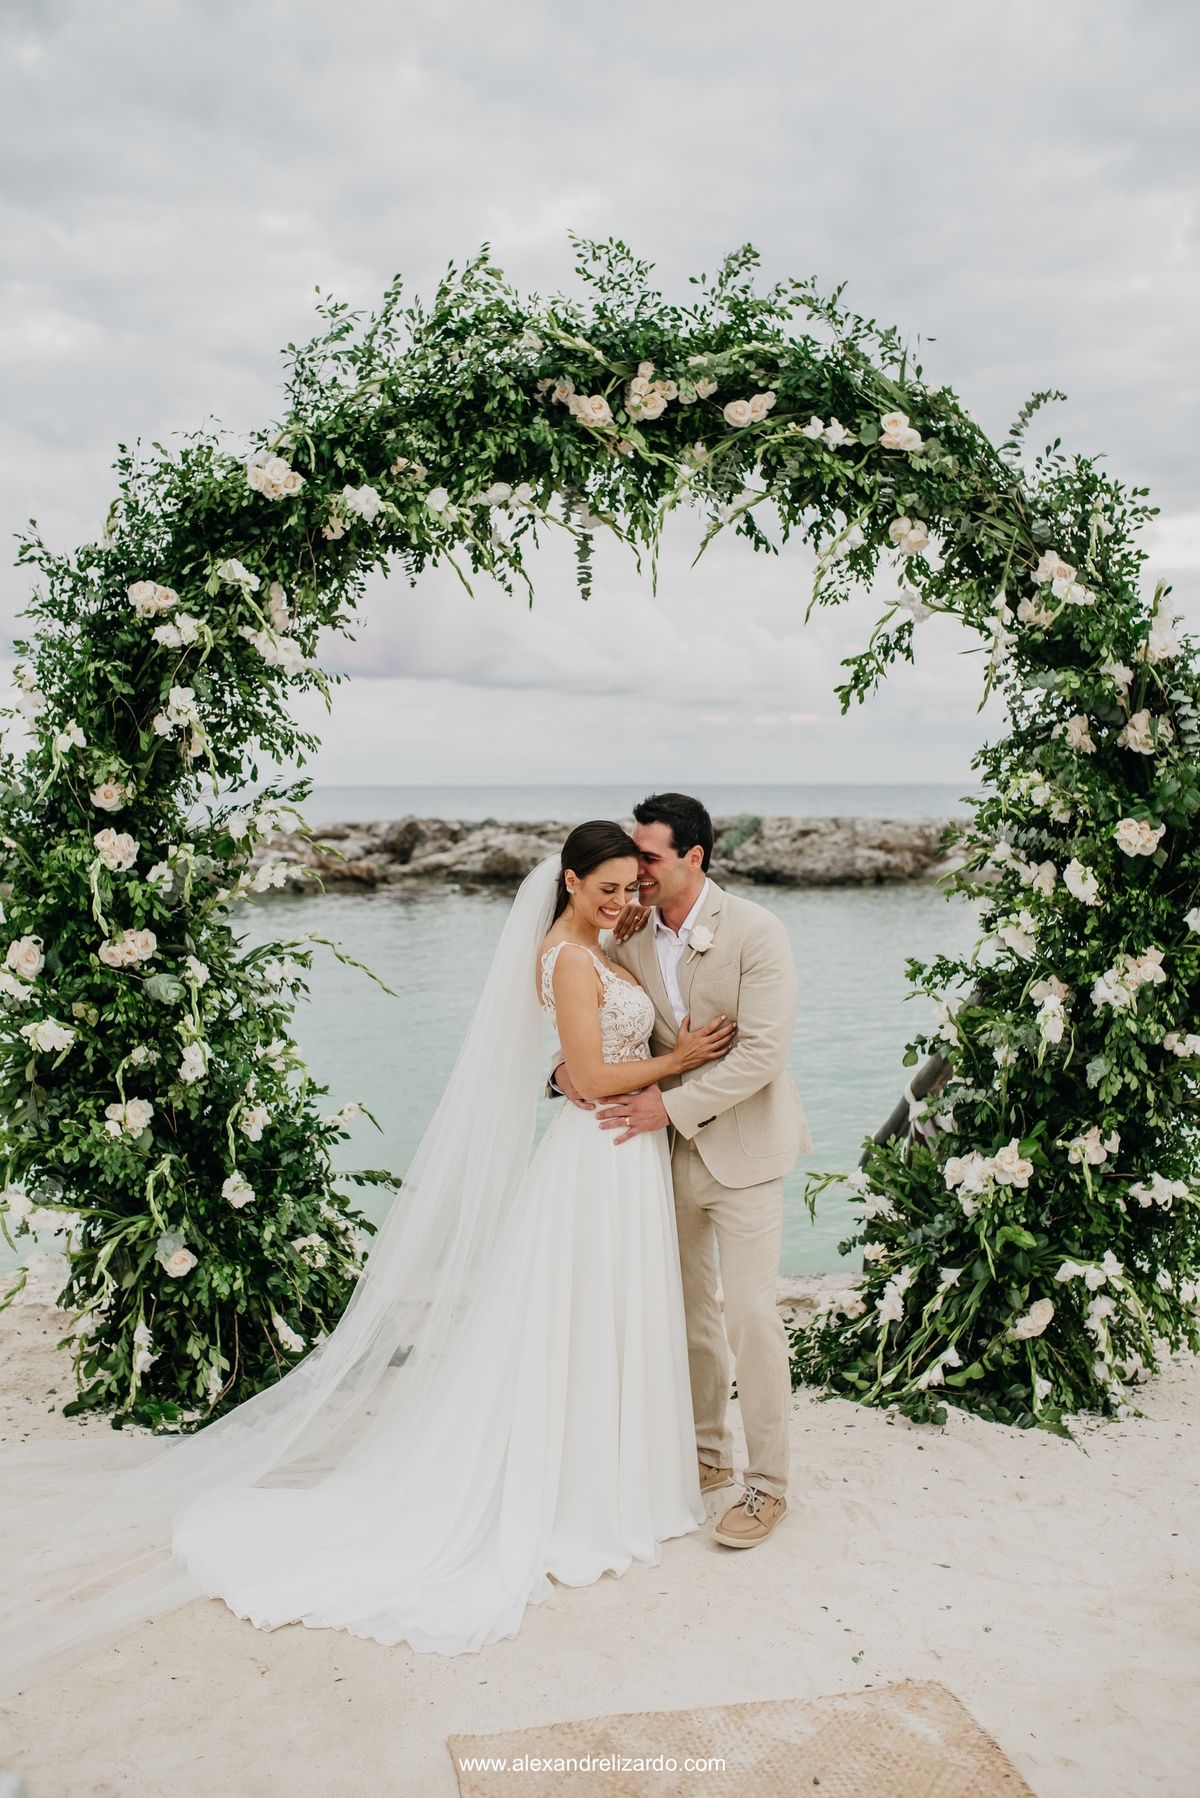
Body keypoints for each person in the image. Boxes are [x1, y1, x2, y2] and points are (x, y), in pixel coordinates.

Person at [1, 826, 736, 1684]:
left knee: (614, 1314)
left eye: (628, 889)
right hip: (595, 1158)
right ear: (569, 880)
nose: (619, 903)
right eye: (604, 889)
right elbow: (587, 1068)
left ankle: (620, 1478)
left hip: (623, 1154)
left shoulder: (602, 945)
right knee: (584, 1314)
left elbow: (577, 1068)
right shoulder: (569, 959)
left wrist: (621, 1060)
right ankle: (582, 1493)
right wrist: (678, 1058)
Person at [552, 794, 809, 1548]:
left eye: (650, 859)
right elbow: (599, 1030)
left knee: (751, 1317)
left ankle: (768, 1488)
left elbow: (763, 1055)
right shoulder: (625, 934)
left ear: (694, 858)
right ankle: (704, 1461)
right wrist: (562, 1075)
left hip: (744, 1154)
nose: (637, 872)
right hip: (659, 1163)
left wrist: (671, 1107)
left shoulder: (758, 931)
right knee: (688, 1314)